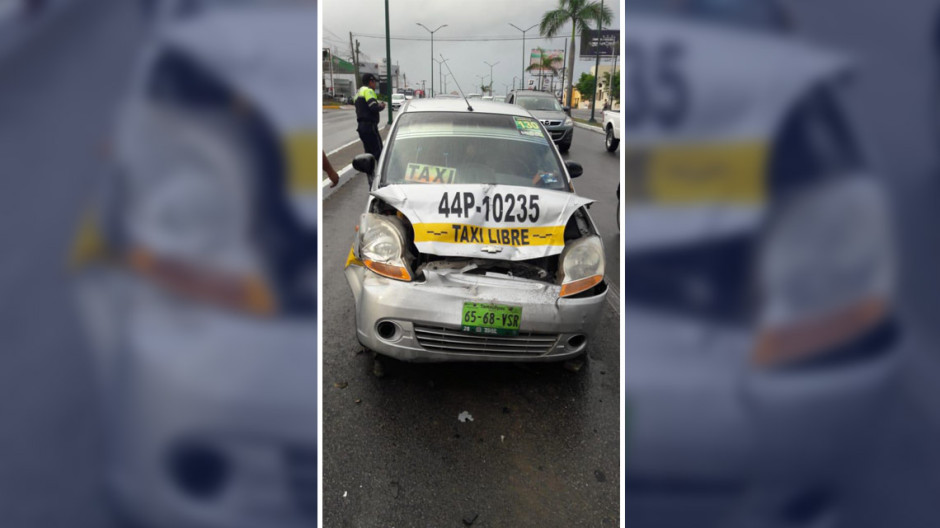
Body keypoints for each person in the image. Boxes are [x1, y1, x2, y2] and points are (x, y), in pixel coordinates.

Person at [354, 73, 386, 163]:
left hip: (361, 128)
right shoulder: (368, 91)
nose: (375, 84)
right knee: (380, 154)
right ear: (370, 82)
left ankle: (370, 175)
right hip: (370, 127)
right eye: (374, 82)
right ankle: (382, 175)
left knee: (369, 155)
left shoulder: (358, 92)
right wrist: (382, 106)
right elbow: (373, 107)